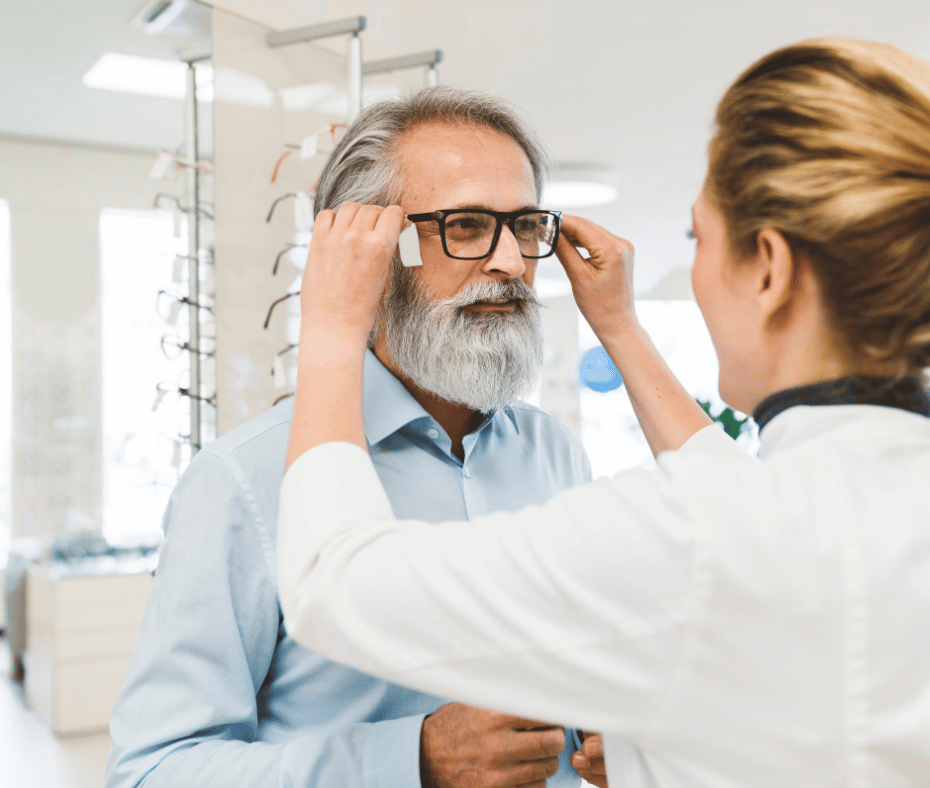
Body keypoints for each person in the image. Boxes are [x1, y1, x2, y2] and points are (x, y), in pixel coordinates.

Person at [275, 39, 930, 788]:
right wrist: (624, 330)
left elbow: (328, 583)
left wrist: (330, 328)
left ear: (769, 268)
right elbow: (747, 521)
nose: (504, 257)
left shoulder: (695, 534)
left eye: (698, 241)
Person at [107, 87, 599, 788]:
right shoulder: (243, 481)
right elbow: (151, 770)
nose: (511, 264)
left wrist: (608, 729)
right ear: (366, 249)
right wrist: (410, 761)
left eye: (523, 226)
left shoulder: (555, 454)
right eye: (464, 226)